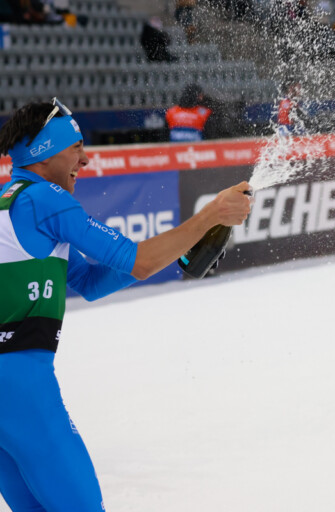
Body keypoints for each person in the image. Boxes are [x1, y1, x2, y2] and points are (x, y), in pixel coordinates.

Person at [0, 98, 252, 511]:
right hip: (20, 382)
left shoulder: (12, 199)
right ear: (45, 152)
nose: (85, 159)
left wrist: (178, 249)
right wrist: (211, 214)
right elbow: (139, 260)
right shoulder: (46, 199)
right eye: (75, 148)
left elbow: (88, 282)